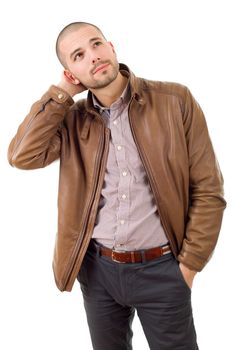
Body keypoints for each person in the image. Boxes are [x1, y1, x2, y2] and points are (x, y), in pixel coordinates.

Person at [8, 21, 226, 350]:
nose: (93, 57)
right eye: (78, 55)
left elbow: (208, 191)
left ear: (111, 47)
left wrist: (189, 267)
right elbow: (22, 156)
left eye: (96, 45)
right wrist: (60, 95)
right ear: (71, 72)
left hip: (163, 271)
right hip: (98, 273)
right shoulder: (72, 119)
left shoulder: (174, 100)